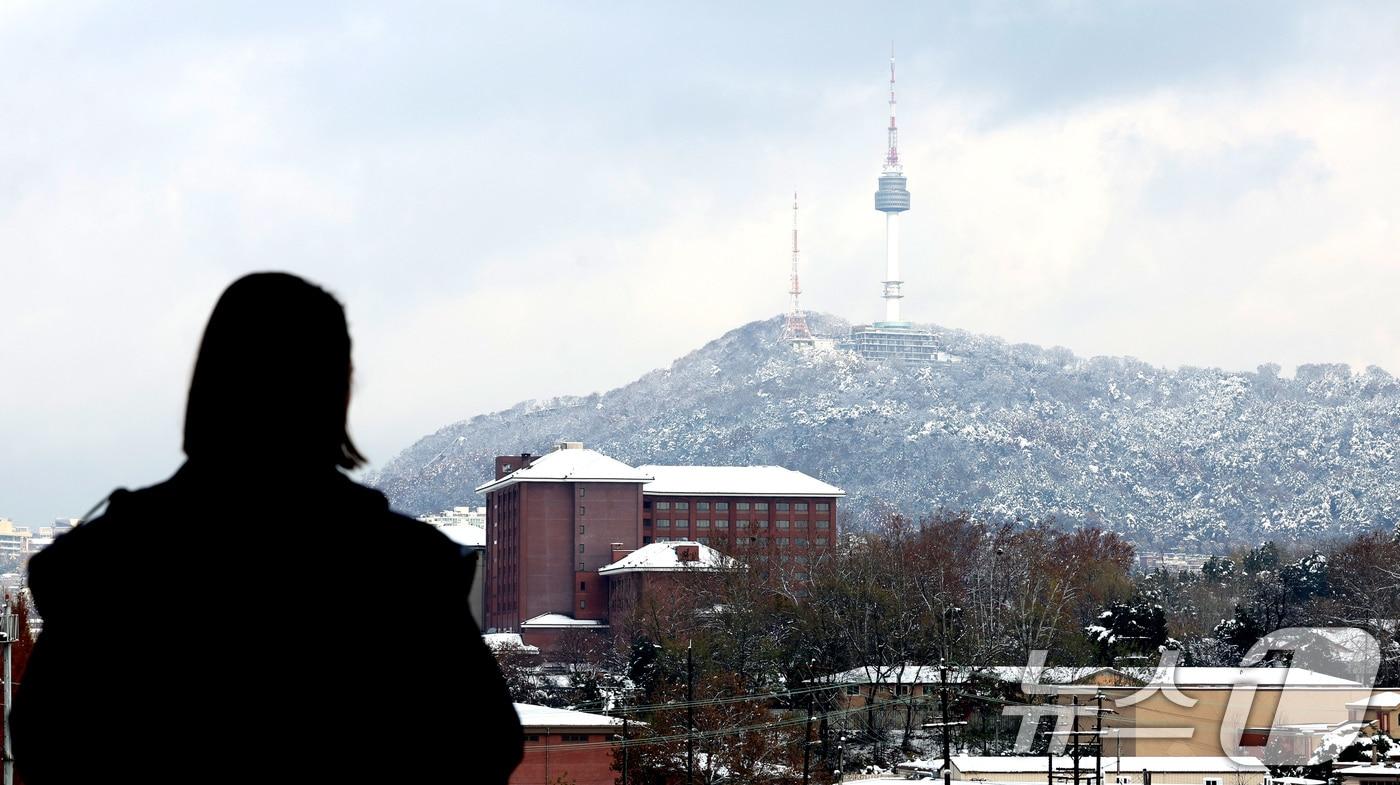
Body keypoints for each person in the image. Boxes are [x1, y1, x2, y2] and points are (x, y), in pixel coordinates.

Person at [12, 273, 523, 784]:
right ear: (337, 389)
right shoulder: (404, 566)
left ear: (208, 382)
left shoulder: (107, 563)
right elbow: (484, 745)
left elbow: (47, 743)